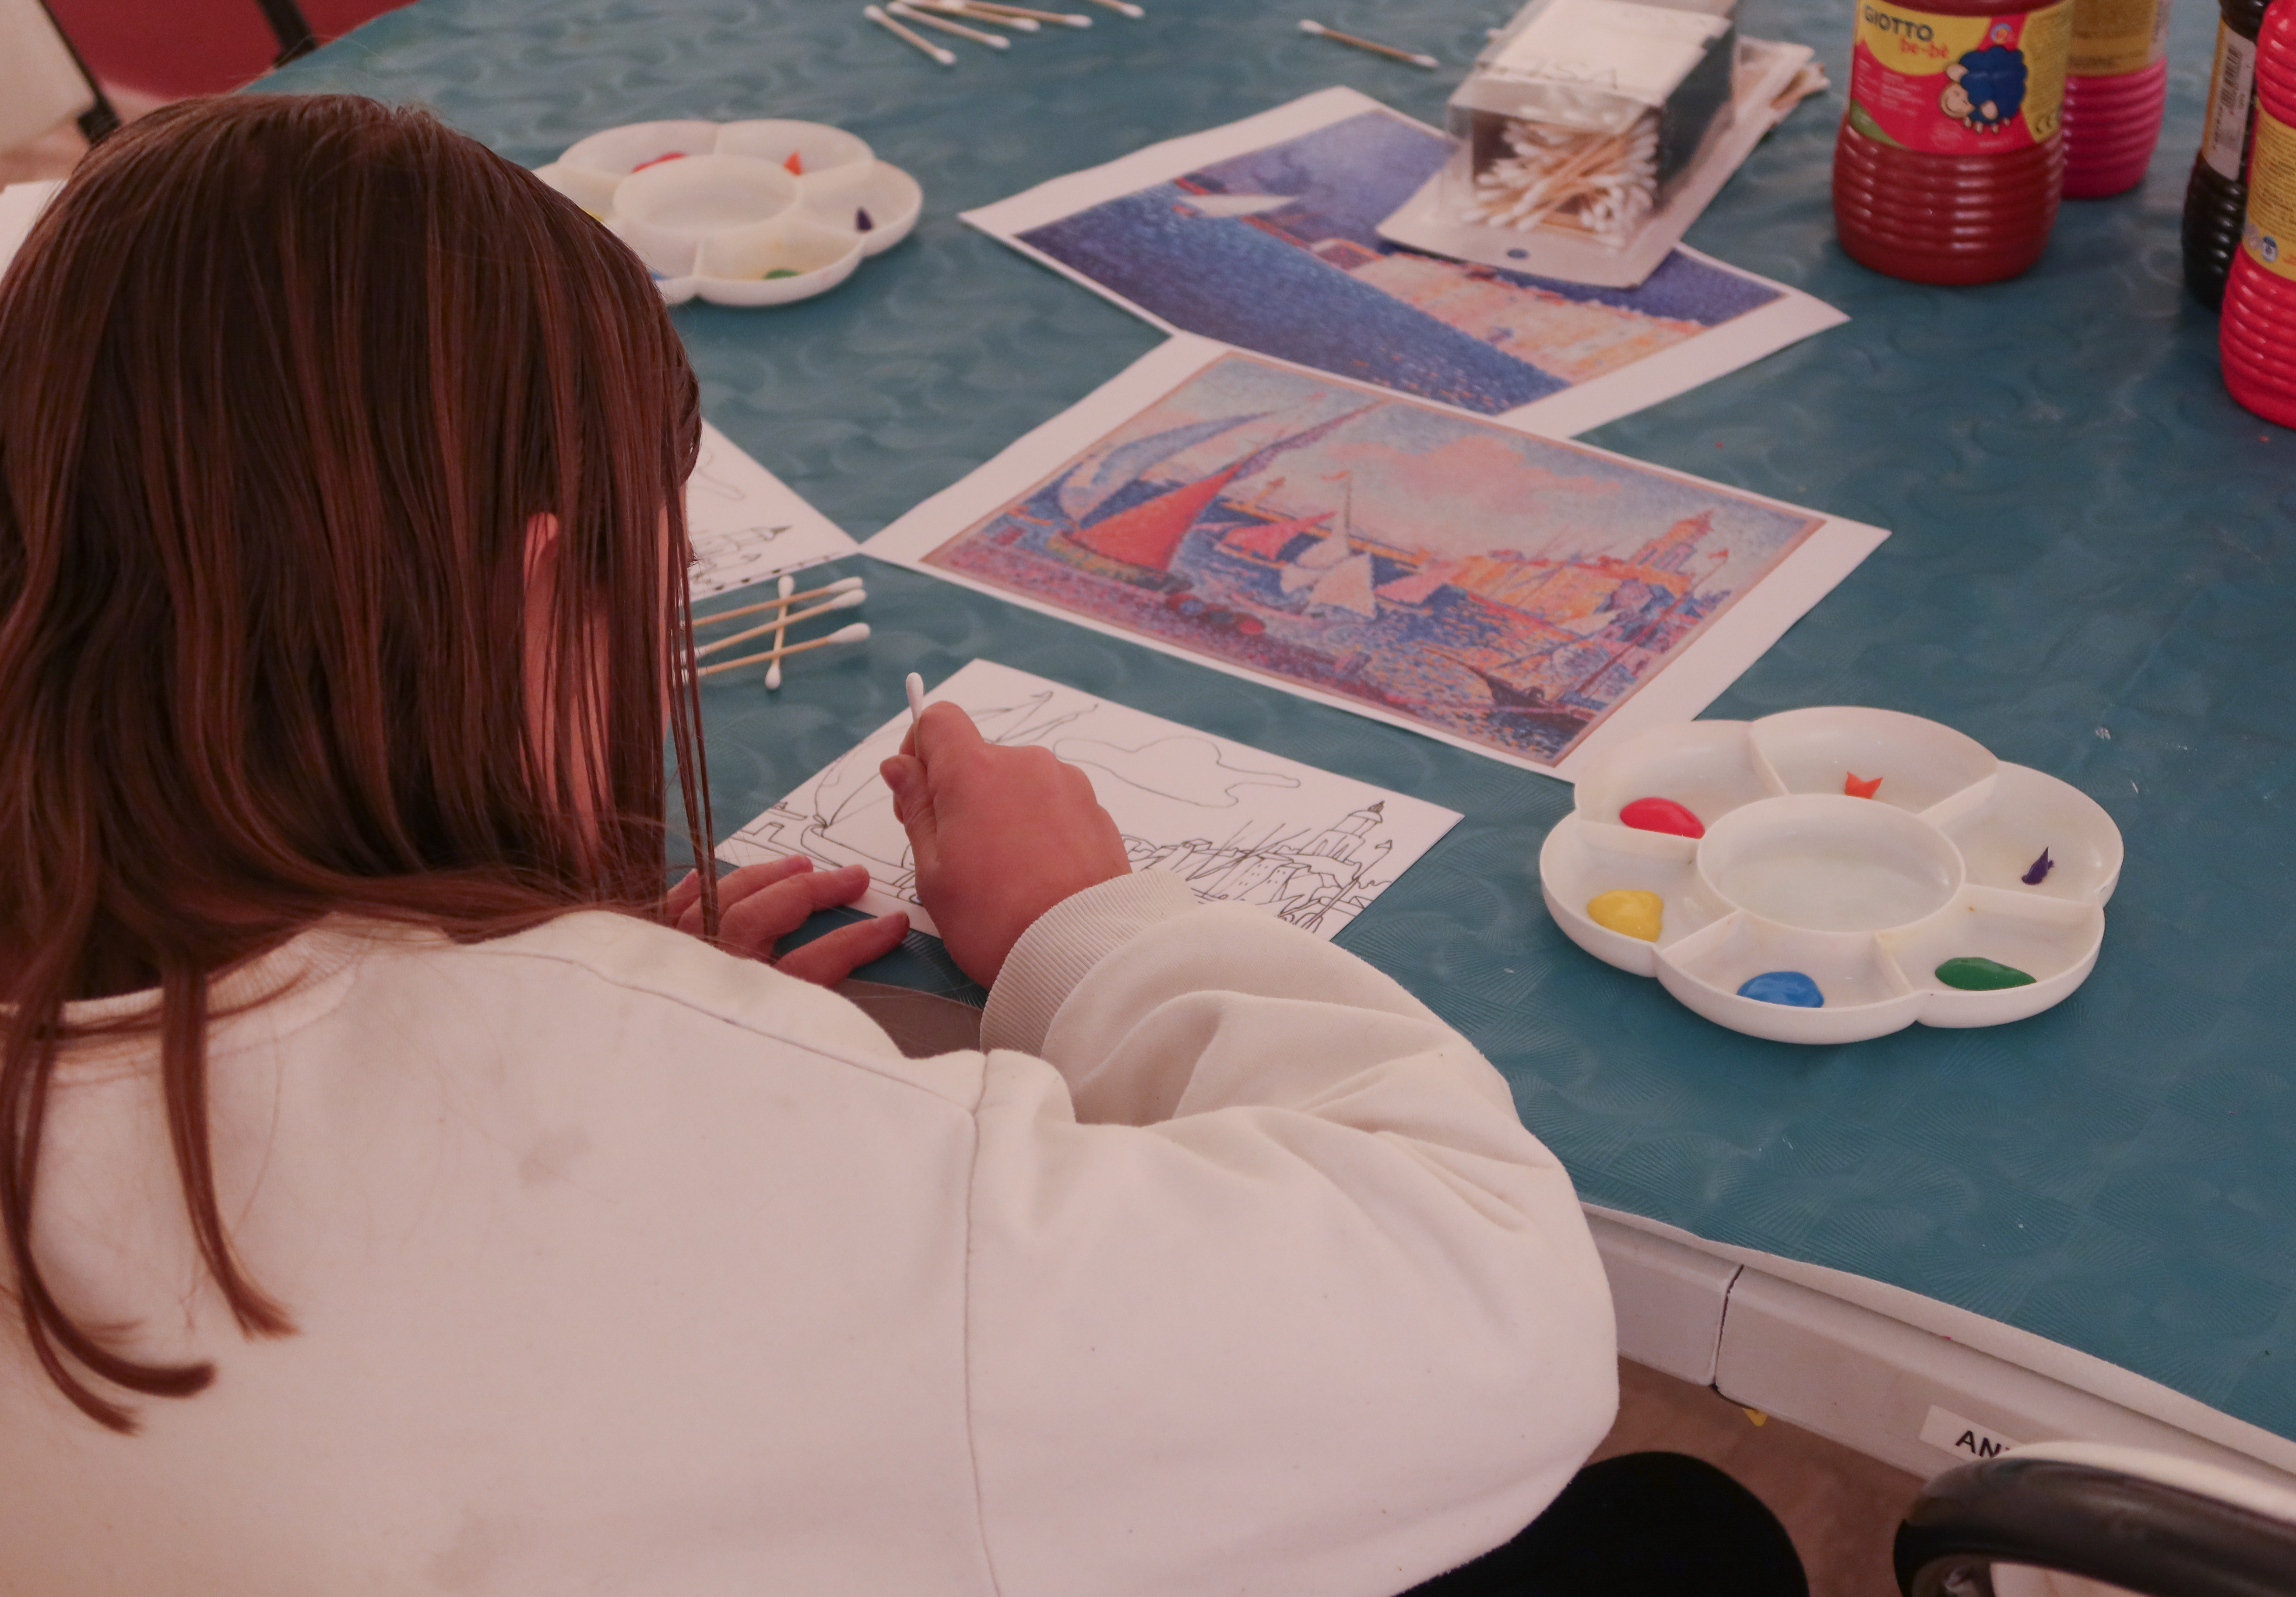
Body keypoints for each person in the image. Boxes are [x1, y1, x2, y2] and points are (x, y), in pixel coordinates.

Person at [0, 95, 1803, 1596]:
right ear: (541, 591)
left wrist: (564, 1010)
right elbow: (1496, 1313)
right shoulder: (686, 1160)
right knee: (1679, 1544)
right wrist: (1089, 927)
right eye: (651, 576)